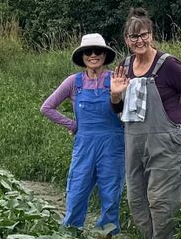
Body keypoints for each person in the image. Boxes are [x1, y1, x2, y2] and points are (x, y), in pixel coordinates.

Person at [110, 8, 181, 239]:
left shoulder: (168, 65)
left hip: (165, 140)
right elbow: (119, 111)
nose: (139, 40)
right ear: (126, 40)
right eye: (134, 36)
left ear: (151, 34)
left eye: (144, 35)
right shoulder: (125, 66)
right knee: (136, 200)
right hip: (135, 142)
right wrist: (115, 95)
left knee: (161, 201)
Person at [40, 33, 125, 237]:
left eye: (98, 51)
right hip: (84, 144)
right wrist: (73, 124)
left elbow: (129, 111)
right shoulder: (74, 82)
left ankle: (105, 234)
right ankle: (71, 232)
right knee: (77, 190)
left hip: (113, 145)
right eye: (88, 52)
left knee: (111, 194)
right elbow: (47, 107)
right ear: (82, 56)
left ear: (105, 55)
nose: (93, 55)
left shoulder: (116, 79)